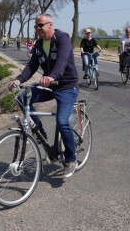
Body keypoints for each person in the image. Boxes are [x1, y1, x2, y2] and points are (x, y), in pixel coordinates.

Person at [8, 14, 80, 178]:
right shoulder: (39, 45)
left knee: (62, 121)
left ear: (50, 25)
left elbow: (62, 61)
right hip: (48, 85)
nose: (37, 29)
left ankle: (71, 159)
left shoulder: (62, 40)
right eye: (36, 26)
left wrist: (52, 76)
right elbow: (32, 65)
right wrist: (18, 79)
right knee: (22, 97)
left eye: (40, 25)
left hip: (67, 86)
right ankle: (38, 130)